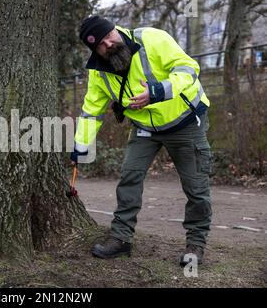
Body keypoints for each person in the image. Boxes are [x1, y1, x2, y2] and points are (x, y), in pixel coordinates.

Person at [70, 15, 212, 266]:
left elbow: (188, 69)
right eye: (100, 44)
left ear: (115, 29)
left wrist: (158, 91)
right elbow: (92, 110)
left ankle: (195, 245)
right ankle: (121, 239)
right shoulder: (98, 72)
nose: (108, 44)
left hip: (185, 122)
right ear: (94, 50)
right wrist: (80, 146)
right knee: (129, 179)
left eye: (109, 36)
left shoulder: (153, 38)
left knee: (196, 188)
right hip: (144, 128)